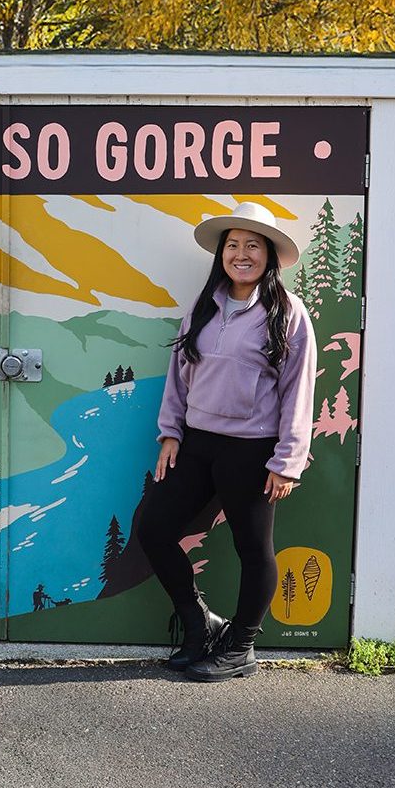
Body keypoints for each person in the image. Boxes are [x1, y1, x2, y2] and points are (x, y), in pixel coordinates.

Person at [135, 202, 317, 682]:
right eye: (233, 245)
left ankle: (240, 647)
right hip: (197, 444)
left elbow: (299, 390)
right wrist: (171, 432)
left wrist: (288, 461)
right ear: (221, 255)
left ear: (269, 255)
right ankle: (200, 626)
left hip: (252, 450)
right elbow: (179, 374)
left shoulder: (288, 313)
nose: (242, 254)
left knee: (253, 549)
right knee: (152, 527)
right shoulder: (205, 306)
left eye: (253, 246)